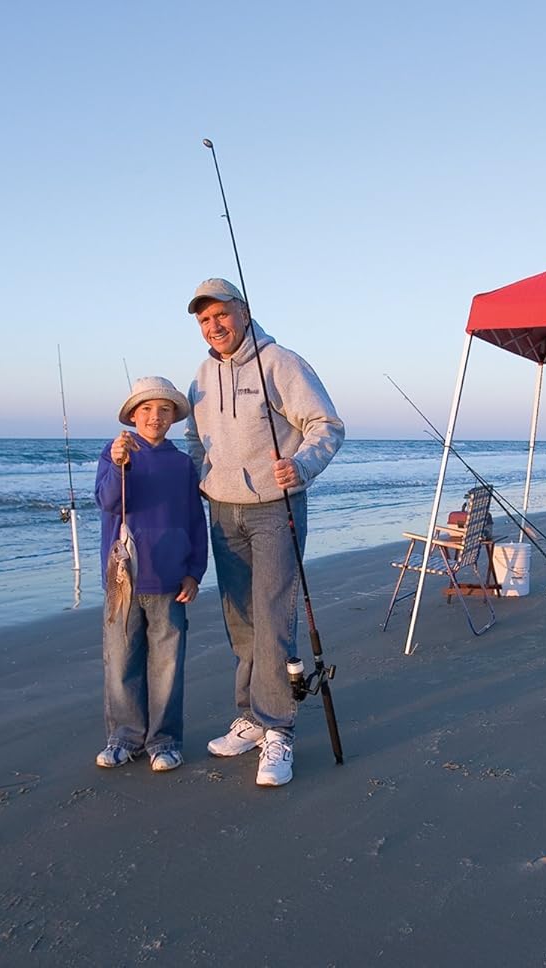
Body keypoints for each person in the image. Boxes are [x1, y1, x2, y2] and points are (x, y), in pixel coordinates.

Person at [184, 277, 344, 787]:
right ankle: (251, 717)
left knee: (273, 617)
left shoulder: (280, 363)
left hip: (276, 509)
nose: (214, 326)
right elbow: (194, 440)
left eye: (221, 315)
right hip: (222, 510)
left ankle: (278, 729)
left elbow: (326, 425)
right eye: (204, 320)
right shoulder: (202, 376)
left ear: (243, 311)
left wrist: (301, 466)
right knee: (241, 620)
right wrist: (198, 484)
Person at [93, 376, 208, 773]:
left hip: (170, 581)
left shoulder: (182, 464)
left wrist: (195, 571)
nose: (154, 417)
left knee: (167, 665)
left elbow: (196, 520)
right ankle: (124, 736)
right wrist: (120, 463)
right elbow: (108, 502)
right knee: (121, 661)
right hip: (122, 580)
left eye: (163, 410)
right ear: (132, 416)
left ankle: (164, 740)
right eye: (146, 410)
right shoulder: (115, 454)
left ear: (174, 417)